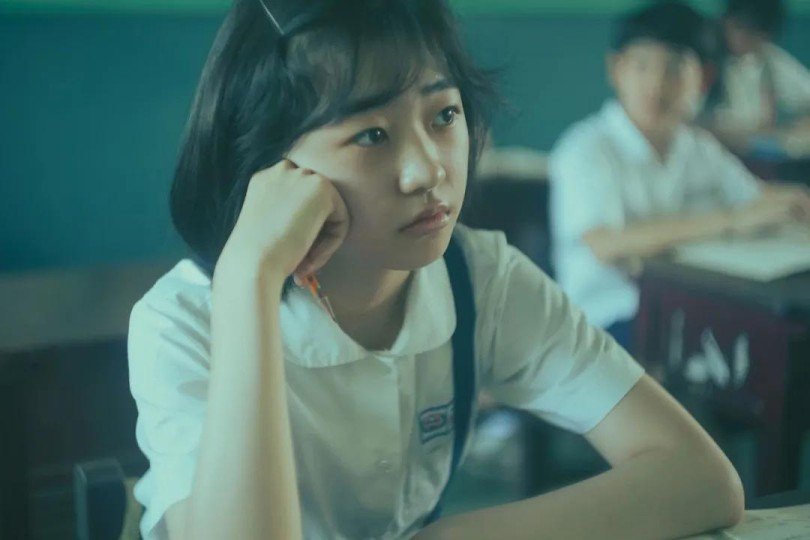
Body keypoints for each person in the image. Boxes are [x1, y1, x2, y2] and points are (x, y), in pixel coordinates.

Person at [128, 1, 748, 539]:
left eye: (444, 115)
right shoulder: (181, 321)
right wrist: (250, 277)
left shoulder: (478, 279)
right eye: (372, 134)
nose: (428, 170)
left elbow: (703, 480)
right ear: (273, 168)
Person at [549, 0, 810, 349]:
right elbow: (606, 243)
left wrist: (792, 202)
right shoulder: (586, 148)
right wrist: (730, 220)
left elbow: (756, 198)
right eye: (642, 65)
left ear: (703, 79)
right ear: (616, 69)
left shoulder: (698, 147)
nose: (657, 84)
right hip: (606, 322)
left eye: (675, 68)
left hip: (685, 312)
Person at [711, 0, 810, 147]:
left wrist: (793, 129)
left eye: (752, 32)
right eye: (738, 27)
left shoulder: (772, 62)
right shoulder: (710, 61)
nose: (741, 37)